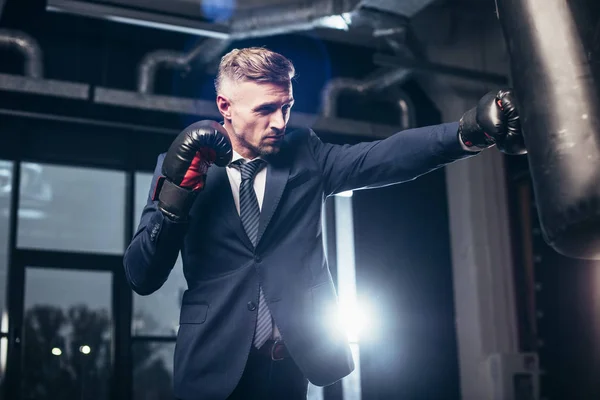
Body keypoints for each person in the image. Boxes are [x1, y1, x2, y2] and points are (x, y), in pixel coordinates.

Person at [123, 47, 526, 400]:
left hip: (289, 368)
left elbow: (383, 157)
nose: (280, 122)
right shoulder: (180, 166)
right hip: (210, 366)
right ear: (225, 106)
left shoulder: (304, 154)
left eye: (286, 106)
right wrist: (175, 198)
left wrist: (466, 133)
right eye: (265, 109)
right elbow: (142, 274)